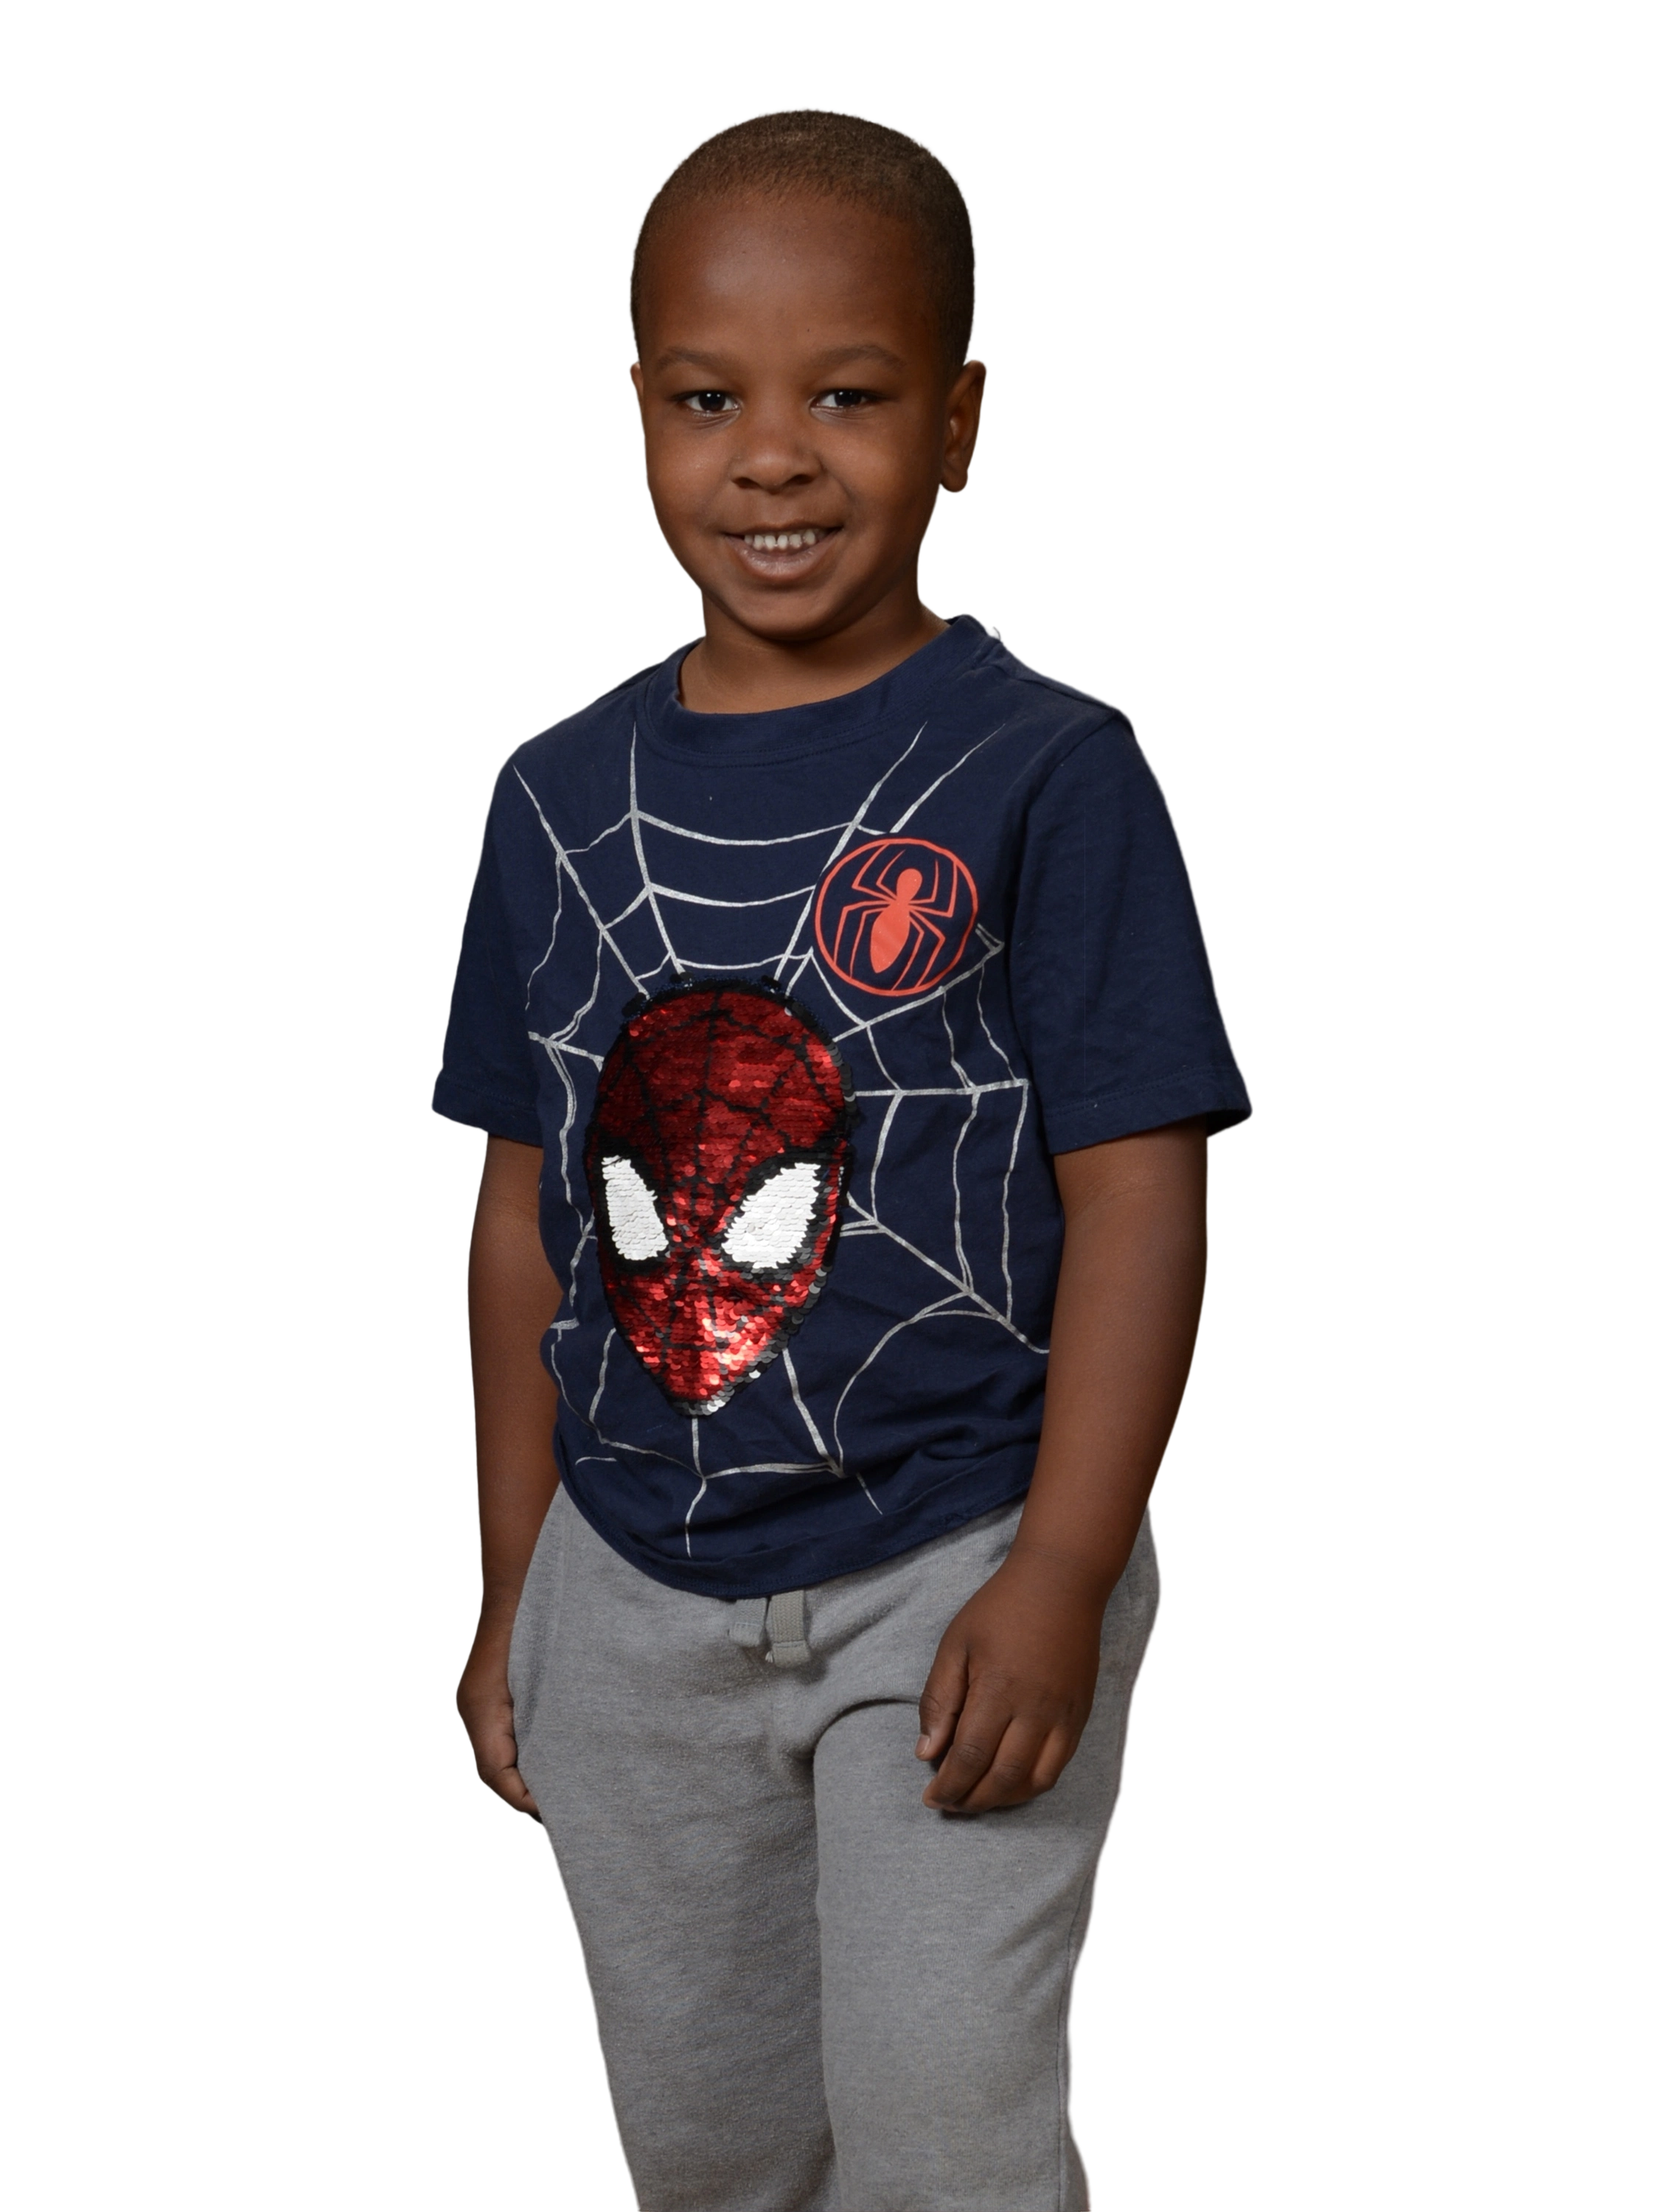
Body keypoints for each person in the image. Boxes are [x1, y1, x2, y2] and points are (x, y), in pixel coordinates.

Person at [431, 105, 1252, 2212]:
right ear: (637, 406)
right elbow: (526, 1212)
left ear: (962, 421)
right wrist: (520, 1586)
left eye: (850, 398)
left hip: (954, 1563)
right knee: (713, 2156)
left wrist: (1061, 1572)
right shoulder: (554, 796)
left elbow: (1140, 1190)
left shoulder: (1052, 771)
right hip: (631, 1590)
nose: (773, 459)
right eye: (709, 399)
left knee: (946, 2139)